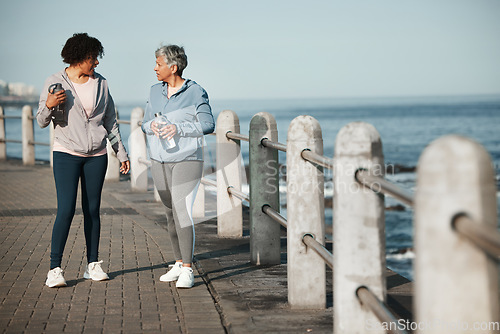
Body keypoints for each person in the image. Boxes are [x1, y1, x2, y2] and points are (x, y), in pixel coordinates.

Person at [37, 33, 130, 288]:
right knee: (66, 210)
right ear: (80, 57)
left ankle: (93, 264)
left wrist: (121, 153)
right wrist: (49, 104)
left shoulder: (101, 84)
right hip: (66, 153)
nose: (96, 63)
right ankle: (55, 269)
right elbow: (42, 121)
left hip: (96, 156)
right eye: (93, 58)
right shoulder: (55, 82)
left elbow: (110, 121)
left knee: (92, 210)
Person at [141, 45, 214, 288]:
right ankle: (178, 261)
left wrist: (179, 129)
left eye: (158, 64)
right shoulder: (154, 91)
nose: (155, 68)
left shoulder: (195, 92)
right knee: (170, 212)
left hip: (188, 158)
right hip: (159, 159)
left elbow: (208, 124)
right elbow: (144, 123)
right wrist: (150, 126)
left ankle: (188, 269)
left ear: (173, 67)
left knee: (182, 211)